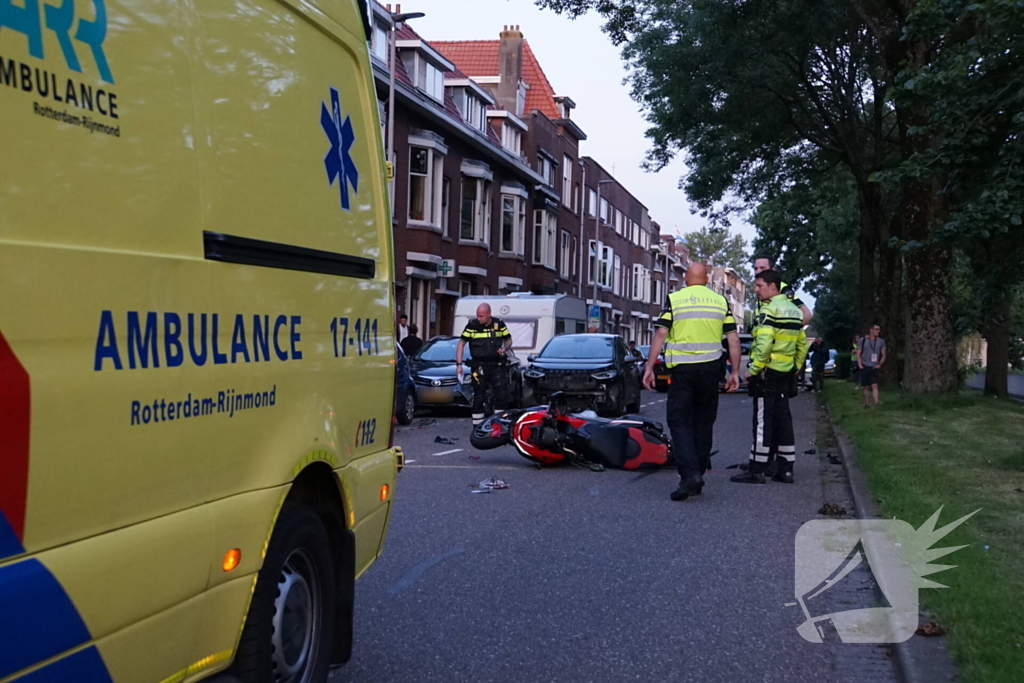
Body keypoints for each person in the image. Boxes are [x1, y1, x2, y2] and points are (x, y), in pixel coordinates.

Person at [645, 263, 741, 501]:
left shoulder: (675, 299)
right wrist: (735, 372)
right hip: (711, 369)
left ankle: (689, 476)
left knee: (679, 420)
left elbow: (660, 333)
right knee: (704, 420)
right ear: (707, 279)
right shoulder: (720, 302)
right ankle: (697, 472)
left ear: (686, 278)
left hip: (683, 370)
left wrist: (649, 366)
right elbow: (733, 338)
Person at [732, 269, 808, 485]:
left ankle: (757, 469)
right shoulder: (794, 311)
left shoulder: (769, 311)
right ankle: (786, 469)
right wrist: (796, 366)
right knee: (783, 419)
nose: (756, 290)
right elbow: (802, 343)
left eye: (759, 286)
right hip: (786, 372)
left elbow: (764, 345)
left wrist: (753, 370)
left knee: (762, 421)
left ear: (773, 286)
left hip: (767, 373)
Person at [456, 304, 513, 426]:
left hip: (496, 366)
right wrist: (459, 365)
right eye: (477, 315)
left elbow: (508, 340)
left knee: (501, 395)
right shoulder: (472, 326)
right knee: (479, 396)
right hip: (479, 366)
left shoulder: (499, 324)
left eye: (481, 316)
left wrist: (504, 348)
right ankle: (478, 426)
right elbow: (461, 343)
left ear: (489, 315)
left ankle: (499, 424)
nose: (479, 318)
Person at [752, 255, 813, 326]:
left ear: (773, 269)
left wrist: (792, 331)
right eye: (755, 268)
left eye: (762, 268)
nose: (758, 271)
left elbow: (807, 314)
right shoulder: (760, 289)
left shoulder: (781, 287)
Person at [857, 324, 886, 408]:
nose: (878, 331)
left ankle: (876, 402)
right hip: (865, 365)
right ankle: (867, 403)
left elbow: (883, 354)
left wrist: (880, 364)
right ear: (871, 330)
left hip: (874, 366)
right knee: (866, 386)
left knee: (874, 384)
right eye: (876, 329)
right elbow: (858, 353)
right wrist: (859, 364)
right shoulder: (863, 340)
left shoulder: (881, 341)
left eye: (879, 329)